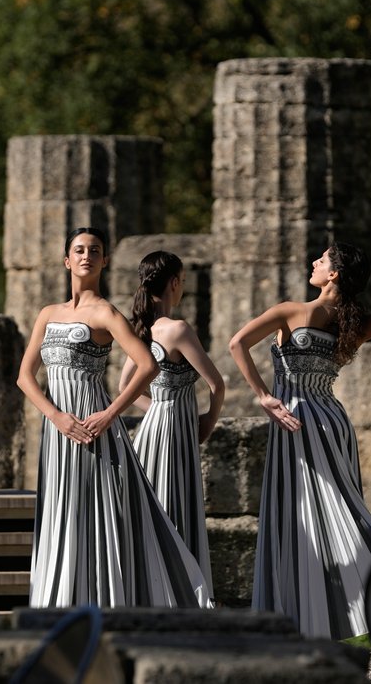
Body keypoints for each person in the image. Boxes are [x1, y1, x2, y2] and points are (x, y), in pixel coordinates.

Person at [228, 208, 371, 639]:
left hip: (296, 419)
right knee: (334, 514)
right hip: (329, 418)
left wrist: (263, 396)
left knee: (320, 517)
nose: (314, 262)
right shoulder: (356, 325)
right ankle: (338, 615)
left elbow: (237, 343)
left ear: (334, 275)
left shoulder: (292, 310)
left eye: (322, 259)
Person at [17, 227, 211, 608]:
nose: (86, 255)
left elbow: (146, 365)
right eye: (79, 249)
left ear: (104, 261)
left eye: (95, 250)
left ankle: (113, 600)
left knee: (99, 512)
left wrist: (109, 414)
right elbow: (24, 376)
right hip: (58, 430)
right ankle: (61, 603)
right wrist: (55, 416)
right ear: (66, 260)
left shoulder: (106, 312)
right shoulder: (48, 314)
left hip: (94, 429)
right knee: (63, 510)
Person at [116, 250, 225, 593]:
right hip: (177, 431)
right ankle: (181, 590)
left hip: (152, 429)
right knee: (176, 505)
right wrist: (206, 422)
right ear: (175, 283)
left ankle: (151, 587)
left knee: (153, 505)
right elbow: (216, 383)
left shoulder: (142, 330)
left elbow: (124, 389)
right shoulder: (177, 330)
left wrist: (158, 408)